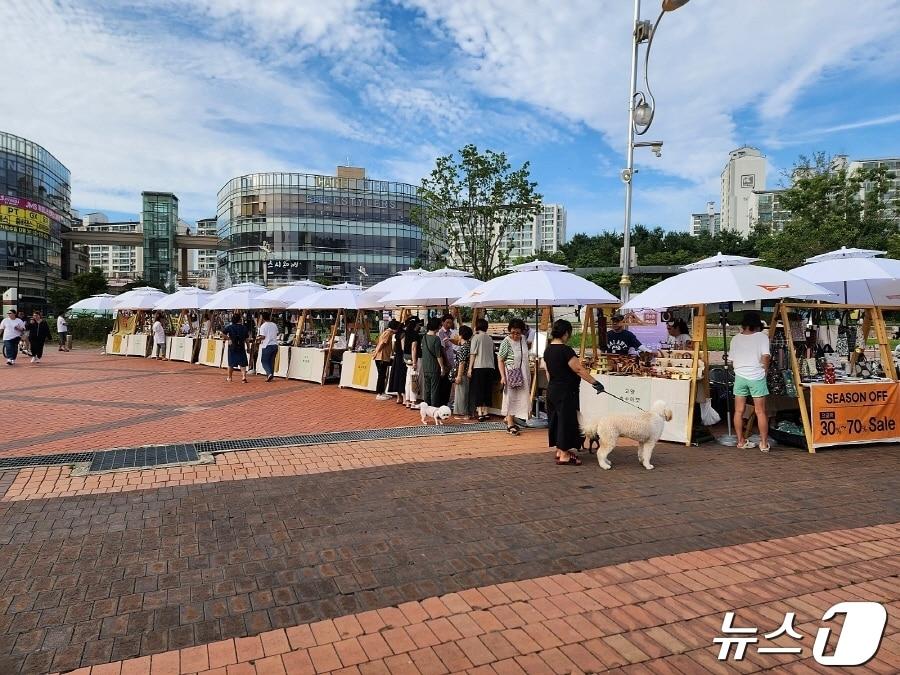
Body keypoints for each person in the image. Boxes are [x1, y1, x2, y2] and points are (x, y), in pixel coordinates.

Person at [543, 319, 605, 466]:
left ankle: (560, 450)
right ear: (566, 333)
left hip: (552, 389)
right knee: (566, 420)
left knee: (556, 420)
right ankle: (564, 454)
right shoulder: (565, 350)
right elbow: (578, 369)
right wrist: (595, 382)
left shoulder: (548, 350)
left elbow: (548, 372)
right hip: (566, 391)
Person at [730, 311, 771, 452]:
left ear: (744, 324)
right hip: (757, 376)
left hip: (740, 376)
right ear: (757, 325)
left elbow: (732, 360)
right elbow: (766, 357)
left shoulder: (735, 339)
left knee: (738, 411)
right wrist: (764, 372)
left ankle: (741, 441)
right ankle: (764, 444)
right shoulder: (762, 337)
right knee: (760, 411)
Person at [497, 318, 531, 435]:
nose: (515, 335)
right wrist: (503, 376)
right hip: (511, 373)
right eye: (512, 332)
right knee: (510, 397)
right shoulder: (506, 342)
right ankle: (510, 423)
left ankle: (510, 418)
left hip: (523, 374)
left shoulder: (523, 339)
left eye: (518, 332)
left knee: (521, 397)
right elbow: (500, 360)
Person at [468, 318, 496, 421]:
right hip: (490, 367)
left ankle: (479, 412)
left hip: (479, 367)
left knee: (478, 390)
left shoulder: (475, 338)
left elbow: (473, 354)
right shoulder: (490, 338)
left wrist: (470, 368)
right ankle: (486, 411)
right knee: (487, 390)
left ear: (477, 326)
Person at [419, 317, 447, 407]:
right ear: (437, 326)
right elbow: (439, 355)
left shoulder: (424, 337)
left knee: (427, 389)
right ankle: (434, 407)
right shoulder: (436, 339)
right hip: (434, 367)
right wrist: (442, 367)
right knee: (434, 389)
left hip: (425, 366)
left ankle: (426, 406)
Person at [374, 320, 399, 400]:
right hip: (381, 357)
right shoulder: (388, 333)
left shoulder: (388, 332)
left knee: (383, 375)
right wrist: (376, 352)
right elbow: (382, 343)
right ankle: (379, 393)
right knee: (381, 376)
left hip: (383, 357)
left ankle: (382, 392)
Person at [453, 325, 473, 419]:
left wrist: (459, 376)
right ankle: (467, 412)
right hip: (469, 373)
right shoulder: (469, 345)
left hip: (463, 373)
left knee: (461, 393)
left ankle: (463, 413)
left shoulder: (463, 348)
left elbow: (462, 363)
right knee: (467, 393)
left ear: (461, 335)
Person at [437, 315, 458, 406]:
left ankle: (447, 402)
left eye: (450, 322)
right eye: (447, 322)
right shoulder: (439, 333)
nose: (449, 324)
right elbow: (440, 349)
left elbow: (452, 347)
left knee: (449, 383)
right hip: (444, 362)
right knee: (443, 383)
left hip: (451, 361)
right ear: (443, 322)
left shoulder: (452, 333)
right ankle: (442, 402)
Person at [223, 313, 249, 383]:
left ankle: (229, 377)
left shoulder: (230, 327)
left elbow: (222, 333)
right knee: (242, 362)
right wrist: (248, 347)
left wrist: (229, 339)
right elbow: (246, 339)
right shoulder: (244, 327)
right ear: (240, 319)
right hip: (241, 346)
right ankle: (244, 377)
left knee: (231, 363)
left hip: (232, 347)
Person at [258, 311, 279, 382]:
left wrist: (258, 338)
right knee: (271, 361)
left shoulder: (263, 326)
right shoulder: (274, 325)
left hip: (267, 345)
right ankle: (271, 375)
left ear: (263, 318)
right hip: (275, 345)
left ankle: (269, 373)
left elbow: (263, 336)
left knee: (264, 361)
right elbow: (276, 333)